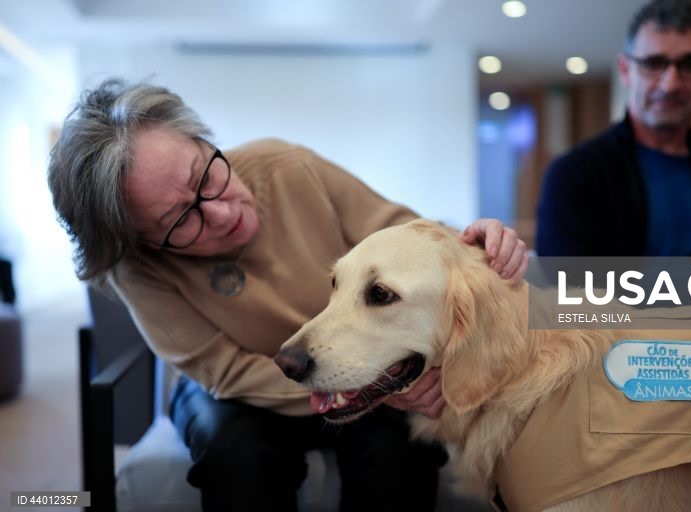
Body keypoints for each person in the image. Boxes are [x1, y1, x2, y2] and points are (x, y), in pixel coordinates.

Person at [47, 77, 529, 511]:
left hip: (356, 365)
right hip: (237, 389)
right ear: (142, 241)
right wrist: (363, 387)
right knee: (235, 454)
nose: (220, 213)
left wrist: (476, 247)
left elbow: (406, 236)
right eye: (179, 220)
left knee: (395, 451)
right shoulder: (135, 266)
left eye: (205, 176)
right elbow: (226, 371)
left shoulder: (290, 168)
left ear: (203, 139)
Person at [536, 0, 691, 302]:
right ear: (625, 69)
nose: (671, 83)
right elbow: (571, 299)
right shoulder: (575, 175)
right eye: (653, 63)